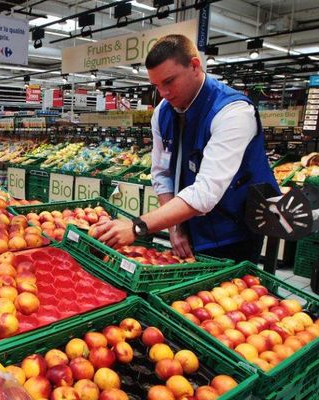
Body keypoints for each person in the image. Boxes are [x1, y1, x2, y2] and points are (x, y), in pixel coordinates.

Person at [91, 34, 279, 263]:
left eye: (169, 81)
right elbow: (162, 173)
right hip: (188, 225)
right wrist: (175, 227)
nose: (163, 93)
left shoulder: (233, 112)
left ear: (194, 65)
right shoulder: (162, 113)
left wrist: (138, 227)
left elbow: (205, 192)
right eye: (157, 85)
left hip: (235, 231)